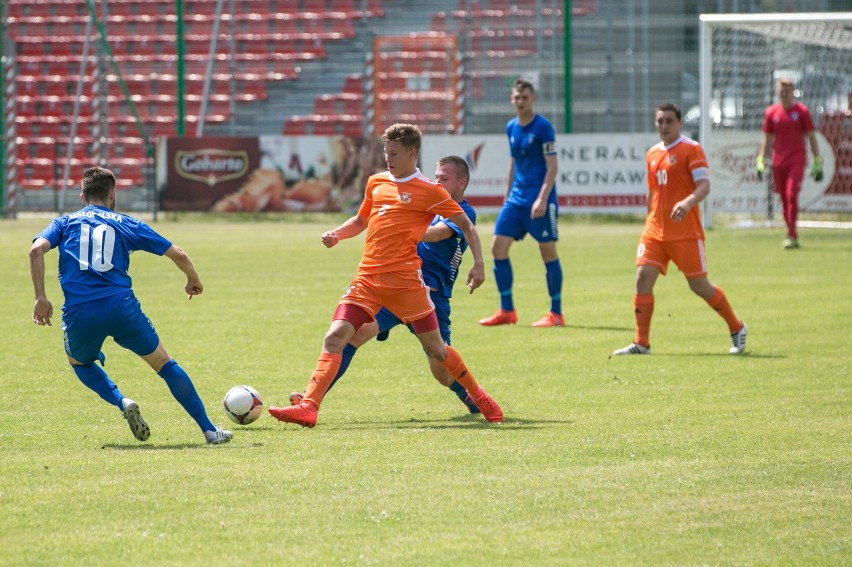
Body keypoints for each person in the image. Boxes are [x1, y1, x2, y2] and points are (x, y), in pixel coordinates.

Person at [269, 124, 503, 427]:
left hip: (410, 286)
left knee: (437, 353)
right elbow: (360, 220)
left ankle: (478, 395)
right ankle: (309, 405)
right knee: (338, 336)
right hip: (367, 279)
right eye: (385, 152)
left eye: (394, 153)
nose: (387, 158)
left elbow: (464, 226)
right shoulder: (376, 182)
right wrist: (338, 235)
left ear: (411, 153)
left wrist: (479, 263)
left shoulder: (430, 193)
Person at [29, 167, 232, 444]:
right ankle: (209, 430)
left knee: (80, 362)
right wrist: (193, 280)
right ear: (112, 195)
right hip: (121, 306)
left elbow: (35, 250)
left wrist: (41, 297)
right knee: (165, 364)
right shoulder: (126, 223)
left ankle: (122, 401)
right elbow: (178, 253)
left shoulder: (64, 223)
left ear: (82, 196)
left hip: (80, 312)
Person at [289, 155, 481, 414]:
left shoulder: (462, 212)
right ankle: (311, 398)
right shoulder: (426, 204)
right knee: (349, 337)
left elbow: (437, 234)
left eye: (444, 179)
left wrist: (400, 223)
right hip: (394, 289)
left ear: (461, 183)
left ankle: (468, 395)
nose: (437, 182)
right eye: (435, 177)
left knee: (442, 371)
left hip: (430, 300)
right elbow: (365, 219)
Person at [612, 103, 748, 356]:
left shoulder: (691, 149)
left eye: (669, 121)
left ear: (680, 123)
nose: (664, 126)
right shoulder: (652, 153)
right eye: (660, 121)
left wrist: (687, 203)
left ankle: (737, 327)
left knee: (699, 286)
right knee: (642, 278)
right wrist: (648, 220)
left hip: (685, 233)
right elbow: (652, 192)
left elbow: (704, 185)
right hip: (655, 231)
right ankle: (641, 343)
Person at [479, 78, 563, 328]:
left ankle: (556, 313)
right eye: (516, 97)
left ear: (533, 99)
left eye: (524, 97)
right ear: (511, 99)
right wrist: (506, 198)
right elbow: (513, 164)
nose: (520, 101)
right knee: (497, 248)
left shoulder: (543, 127)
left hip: (539, 201)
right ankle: (507, 310)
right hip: (516, 200)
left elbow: (553, 166)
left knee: (547, 252)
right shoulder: (511, 127)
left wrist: (542, 198)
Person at [756, 78, 823, 249]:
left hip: (797, 160)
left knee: (791, 194)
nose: (783, 92)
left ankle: (791, 234)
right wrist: (761, 158)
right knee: (783, 198)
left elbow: (811, 136)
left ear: (793, 91)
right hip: (778, 162)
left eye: (787, 89)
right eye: (781, 89)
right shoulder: (772, 112)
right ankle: (791, 231)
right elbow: (768, 138)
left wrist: (817, 160)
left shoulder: (801, 111)